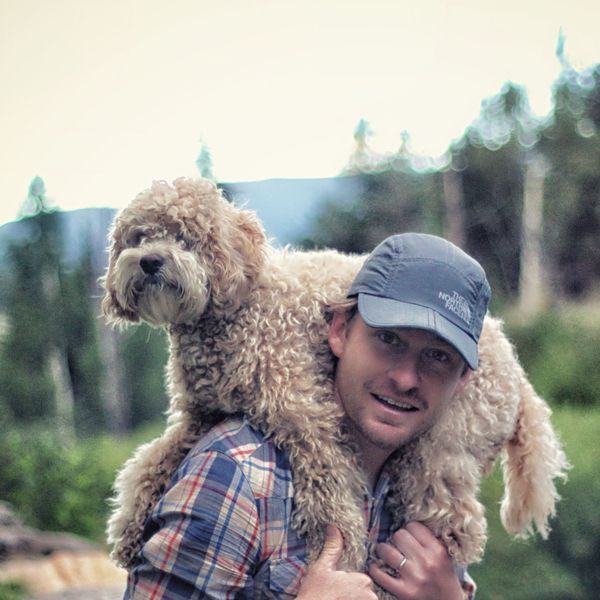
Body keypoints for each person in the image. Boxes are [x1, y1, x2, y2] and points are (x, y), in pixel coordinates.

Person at [124, 232, 490, 600]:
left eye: (438, 356)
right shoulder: (236, 475)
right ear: (340, 330)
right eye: (389, 339)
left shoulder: (431, 501)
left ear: (462, 379)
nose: (406, 378)